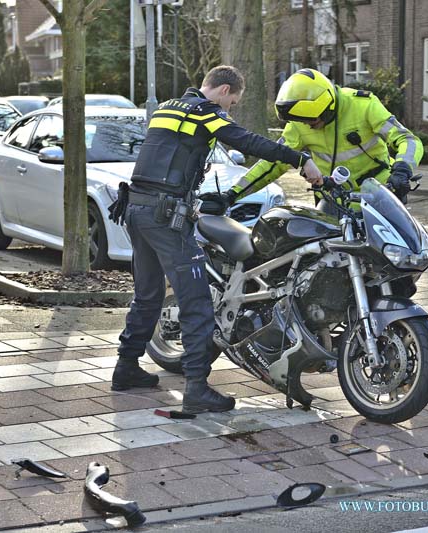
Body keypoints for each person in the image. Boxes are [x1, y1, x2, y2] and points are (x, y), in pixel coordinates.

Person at [108, 65, 322, 414]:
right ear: (223, 90)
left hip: (136, 209)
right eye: (233, 102)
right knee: (197, 304)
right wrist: (300, 159)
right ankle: (196, 388)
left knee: (147, 295)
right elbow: (245, 141)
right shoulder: (206, 114)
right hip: (165, 217)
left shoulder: (166, 108)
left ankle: (126, 366)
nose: (231, 109)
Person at [227, 68, 423, 211]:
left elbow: (407, 140)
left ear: (327, 109)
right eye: (301, 121)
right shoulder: (299, 122)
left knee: (395, 260)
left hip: (380, 193)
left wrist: (403, 170)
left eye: (312, 120)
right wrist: (232, 194)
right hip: (332, 201)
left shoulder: (363, 105)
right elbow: (273, 163)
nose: (308, 126)